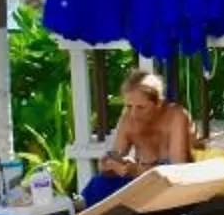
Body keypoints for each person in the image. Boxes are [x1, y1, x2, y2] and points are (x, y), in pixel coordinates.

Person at [83, 69, 194, 207]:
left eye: (141, 107)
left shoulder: (177, 116)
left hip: (170, 183)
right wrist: (108, 164)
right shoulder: (127, 118)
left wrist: (137, 171)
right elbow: (115, 157)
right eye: (129, 106)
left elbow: (178, 171)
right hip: (139, 178)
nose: (134, 114)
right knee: (98, 185)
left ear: (158, 103)